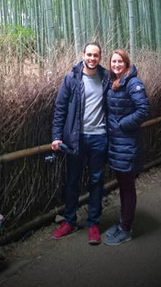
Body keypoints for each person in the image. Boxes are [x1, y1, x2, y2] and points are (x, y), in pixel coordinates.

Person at [51, 43, 109, 245]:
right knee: (72, 181)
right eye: (89, 54)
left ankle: (93, 224)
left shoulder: (107, 77)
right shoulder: (72, 78)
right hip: (76, 138)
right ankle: (69, 221)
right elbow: (60, 108)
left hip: (100, 137)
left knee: (96, 181)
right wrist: (56, 136)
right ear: (82, 55)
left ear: (100, 57)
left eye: (96, 55)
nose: (92, 58)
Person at [104, 49, 149, 246]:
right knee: (123, 186)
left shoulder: (133, 83)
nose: (116, 65)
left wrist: (122, 124)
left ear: (126, 63)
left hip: (127, 144)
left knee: (127, 187)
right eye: (113, 62)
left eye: (120, 62)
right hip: (117, 144)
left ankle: (126, 229)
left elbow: (143, 110)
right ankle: (124, 223)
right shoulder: (114, 82)